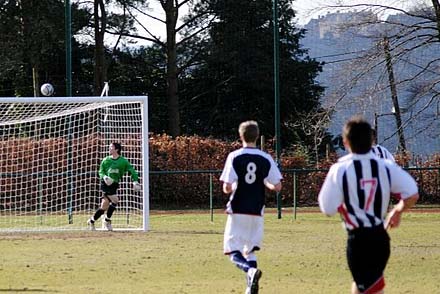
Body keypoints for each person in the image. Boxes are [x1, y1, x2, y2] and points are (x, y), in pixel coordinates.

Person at [318, 116, 419, 294]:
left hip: (358, 240)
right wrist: (397, 210)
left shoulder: (340, 169)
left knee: (369, 287)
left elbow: (327, 208)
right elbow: (412, 193)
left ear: (345, 142)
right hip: (380, 237)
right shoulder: (385, 166)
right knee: (365, 285)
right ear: (372, 140)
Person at [220, 120, 282, 294]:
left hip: (238, 208)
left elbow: (226, 187)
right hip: (257, 210)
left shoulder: (234, 156)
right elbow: (277, 186)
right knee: (250, 251)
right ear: (257, 136)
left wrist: (235, 185)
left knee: (233, 251)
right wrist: (264, 182)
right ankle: (251, 288)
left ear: (240, 136)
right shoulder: (266, 158)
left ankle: (250, 271)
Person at [87, 142, 141, 231]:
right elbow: (101, 171)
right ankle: (107, 220)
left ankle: (91, 221)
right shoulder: (106, 160)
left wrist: (135, 181)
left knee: (104, 206)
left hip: (114, 184)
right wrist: (104, 177)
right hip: (105, 184)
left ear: (117, 149)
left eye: (111, 147)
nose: (109, 149)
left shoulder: (123, 161)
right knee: (115, 200)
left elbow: (132, 170)